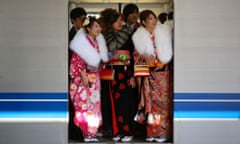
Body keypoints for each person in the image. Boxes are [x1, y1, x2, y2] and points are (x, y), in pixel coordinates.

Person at [132, 10, 173, 143]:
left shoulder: (163, 33)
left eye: (154, 18)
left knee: (162, 104)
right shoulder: (139, 36)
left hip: (162, 74)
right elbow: (136, 57)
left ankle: (162, 132)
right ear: (143, 22)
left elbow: (168, 52)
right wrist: (144, 57)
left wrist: (163, 62)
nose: (154, 20)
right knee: (150, 105)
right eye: (150, 18)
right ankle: (151, 132)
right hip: (148, 75)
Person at [99, 8, 137, 142]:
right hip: (110, 72)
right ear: (110, 24)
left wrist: (134, 75)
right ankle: (115, 130)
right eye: (116, 21)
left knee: (126, 102)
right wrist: (109, 56)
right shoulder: (104, 36)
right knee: (111, 102)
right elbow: (102, 55)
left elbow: (134, 55)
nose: (120, 23)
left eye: (120, 20)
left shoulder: (130, 34)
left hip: (126, 72)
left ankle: (127, 130)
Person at [69, 16, 109, 142]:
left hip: (95, 77)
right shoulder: (83, 42)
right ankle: (85, 133)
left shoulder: (97, 43)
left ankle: (91, 133)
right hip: (84, 77)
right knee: (83, 105)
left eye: (99, 26)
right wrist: (82, 75)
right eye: (96, 26)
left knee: (94, 105)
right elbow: (77, 60)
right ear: (88, 28)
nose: (99, 29)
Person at [68, 7, 87, 141]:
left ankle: (84, 131)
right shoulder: (69, 35)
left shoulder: (86, 34)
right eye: (81, 19)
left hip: (85, 73)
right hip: (74, 74)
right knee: (75, 103)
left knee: (84, 103)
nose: (84, 21)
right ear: (74, 20)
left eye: (85, 18)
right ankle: (75, 132)